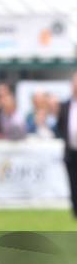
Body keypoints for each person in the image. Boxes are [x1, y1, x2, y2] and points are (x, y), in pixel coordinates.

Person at [57, 73, 77, 217]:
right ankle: (75, 209)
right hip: (70, 150)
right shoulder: (65, 105)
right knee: (72, 181)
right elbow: (60, 125)